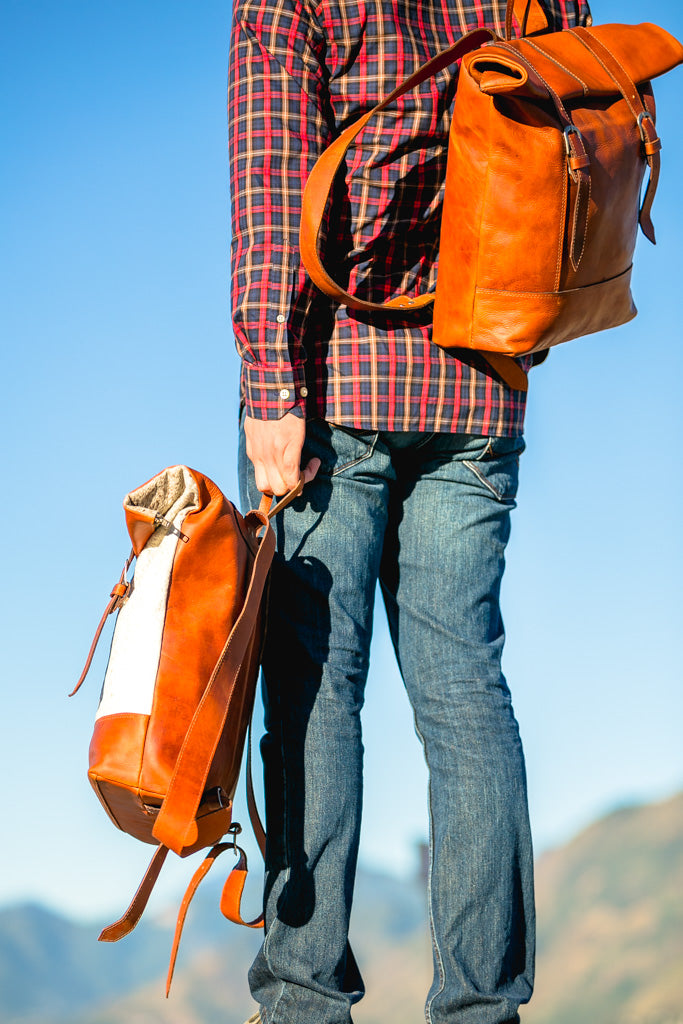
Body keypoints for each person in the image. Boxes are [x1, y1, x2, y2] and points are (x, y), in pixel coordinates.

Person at [228, 1, 591, 1022]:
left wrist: (270, 385)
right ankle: (482, 1009)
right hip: (481, 383)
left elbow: (273, 187)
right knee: (467, 700)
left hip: (333, 385)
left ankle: (302, 1001)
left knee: (312, 697)